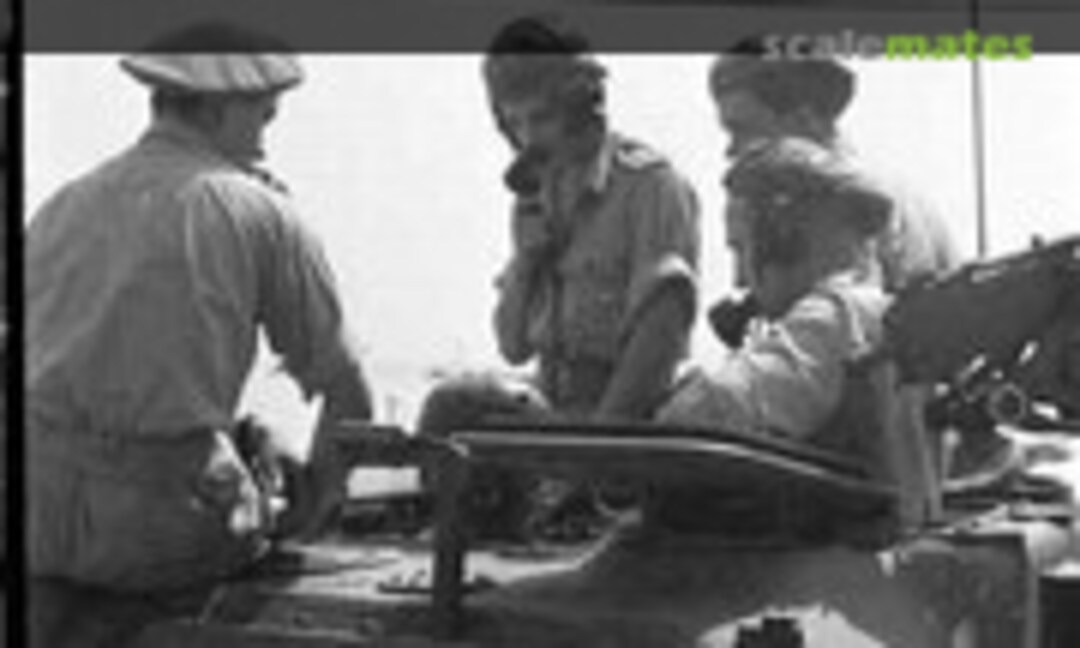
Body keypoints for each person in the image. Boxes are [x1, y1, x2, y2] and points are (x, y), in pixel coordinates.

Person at [26, 21, 374, 598]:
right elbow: (350, 397)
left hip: (37, 520)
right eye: (262, 118)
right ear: (216, 110)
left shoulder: (60, 207)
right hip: (160, 537)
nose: (264, 143)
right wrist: (310, 509)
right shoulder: (259, 211)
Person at [416, 14, 700, 540]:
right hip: (550, 419)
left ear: (582, 102)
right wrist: (527, 260)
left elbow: (660, 338)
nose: (529, 138)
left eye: (541, 118)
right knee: (451, 405)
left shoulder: (650, 187)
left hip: (623, 429)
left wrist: (592, 462)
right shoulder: (538, 191)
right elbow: (513, 346)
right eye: (515, 122)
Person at [653, 137, 894, 535]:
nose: (739, 278)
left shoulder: (836, 316)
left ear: (784, 238)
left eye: (740, 249)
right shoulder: (873, 308)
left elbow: (707, 411)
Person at [705, 38, 962, 348]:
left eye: (742, 129)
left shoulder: (846, 213)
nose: (731, 150)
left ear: (805, 120)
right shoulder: (884, 191)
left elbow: (846, 340)